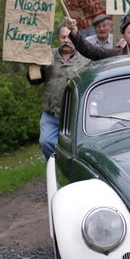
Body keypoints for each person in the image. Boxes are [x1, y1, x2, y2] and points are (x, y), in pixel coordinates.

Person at [27, 26, 91, 160]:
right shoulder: (47, 56)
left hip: (74, 114)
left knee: (74, 147)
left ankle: (67, 170)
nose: (66, 40)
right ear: (59, 39)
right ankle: (56, 167)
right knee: (45, 142)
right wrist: (31, 68)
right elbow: (36, 80)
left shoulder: (86, 58)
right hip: (51, 112)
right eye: (63, 37)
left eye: (69, 37)